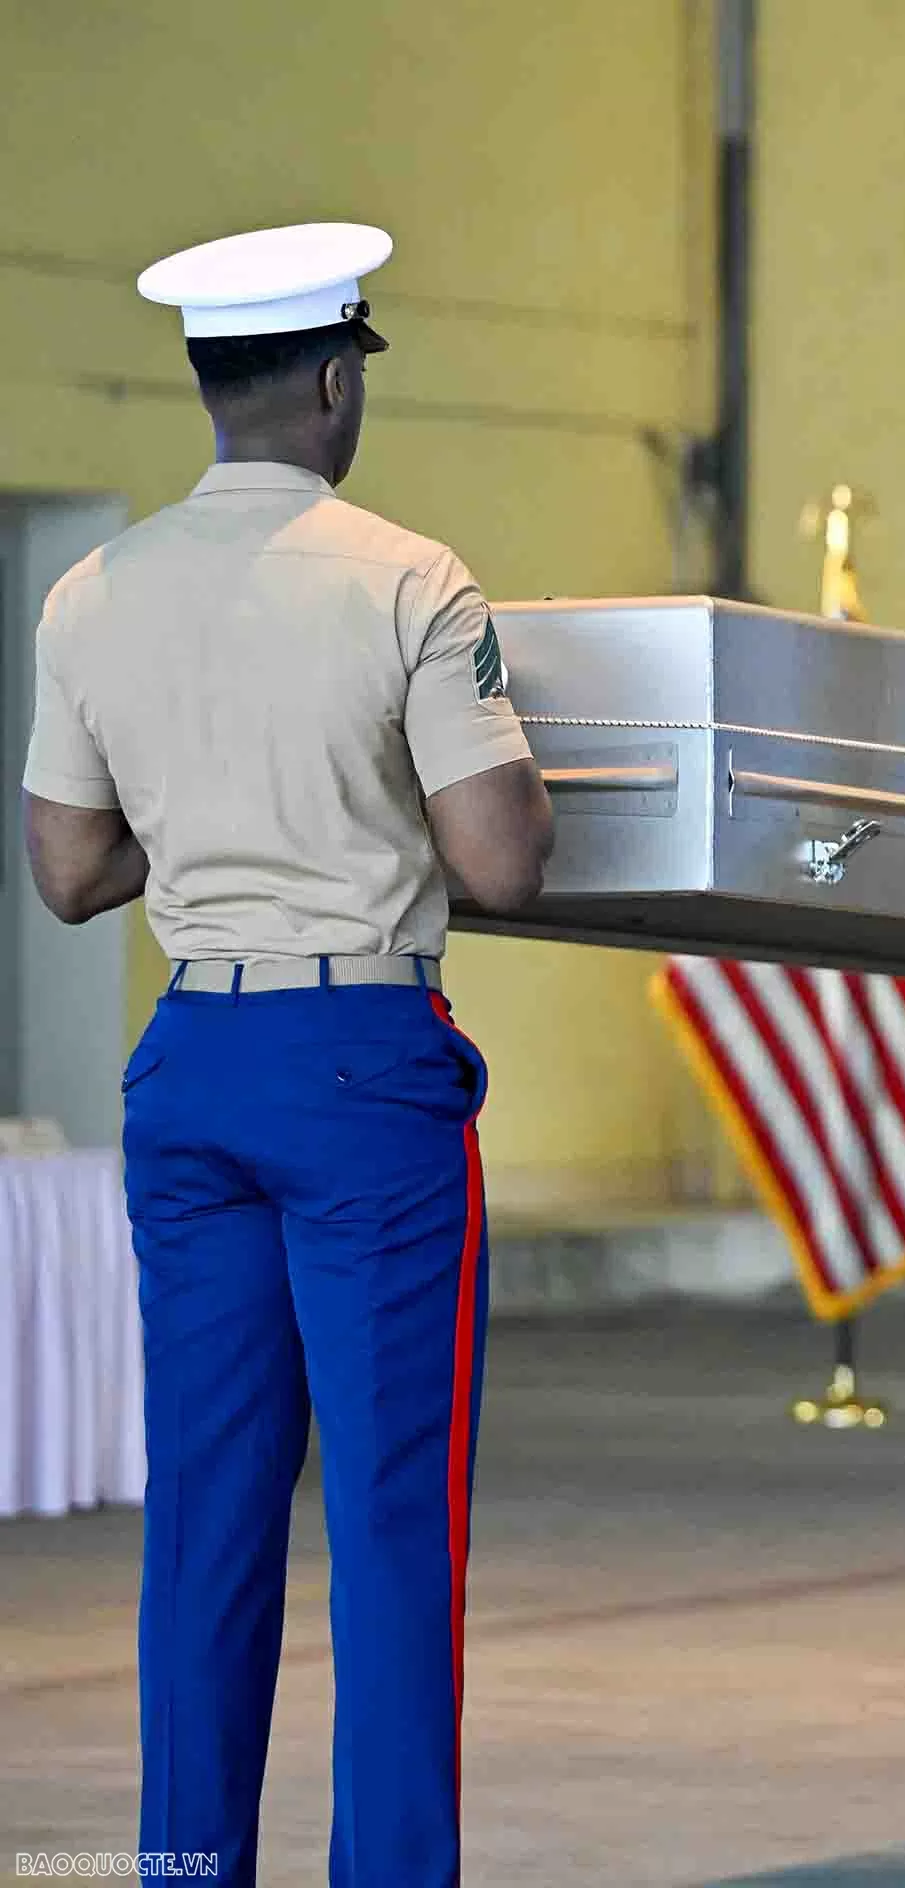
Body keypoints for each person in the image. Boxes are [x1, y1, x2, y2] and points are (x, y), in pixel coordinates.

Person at [16, 222, 554, 1887]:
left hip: (191, 1063)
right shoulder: (411, 578)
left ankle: (190, 1865)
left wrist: (204, 825)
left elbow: (69, 871)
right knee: (393, 1519)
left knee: (207, 1508)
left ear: (206, 386)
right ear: (337, 381)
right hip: (360, 1068)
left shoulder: (90, 591)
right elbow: (501, 861)